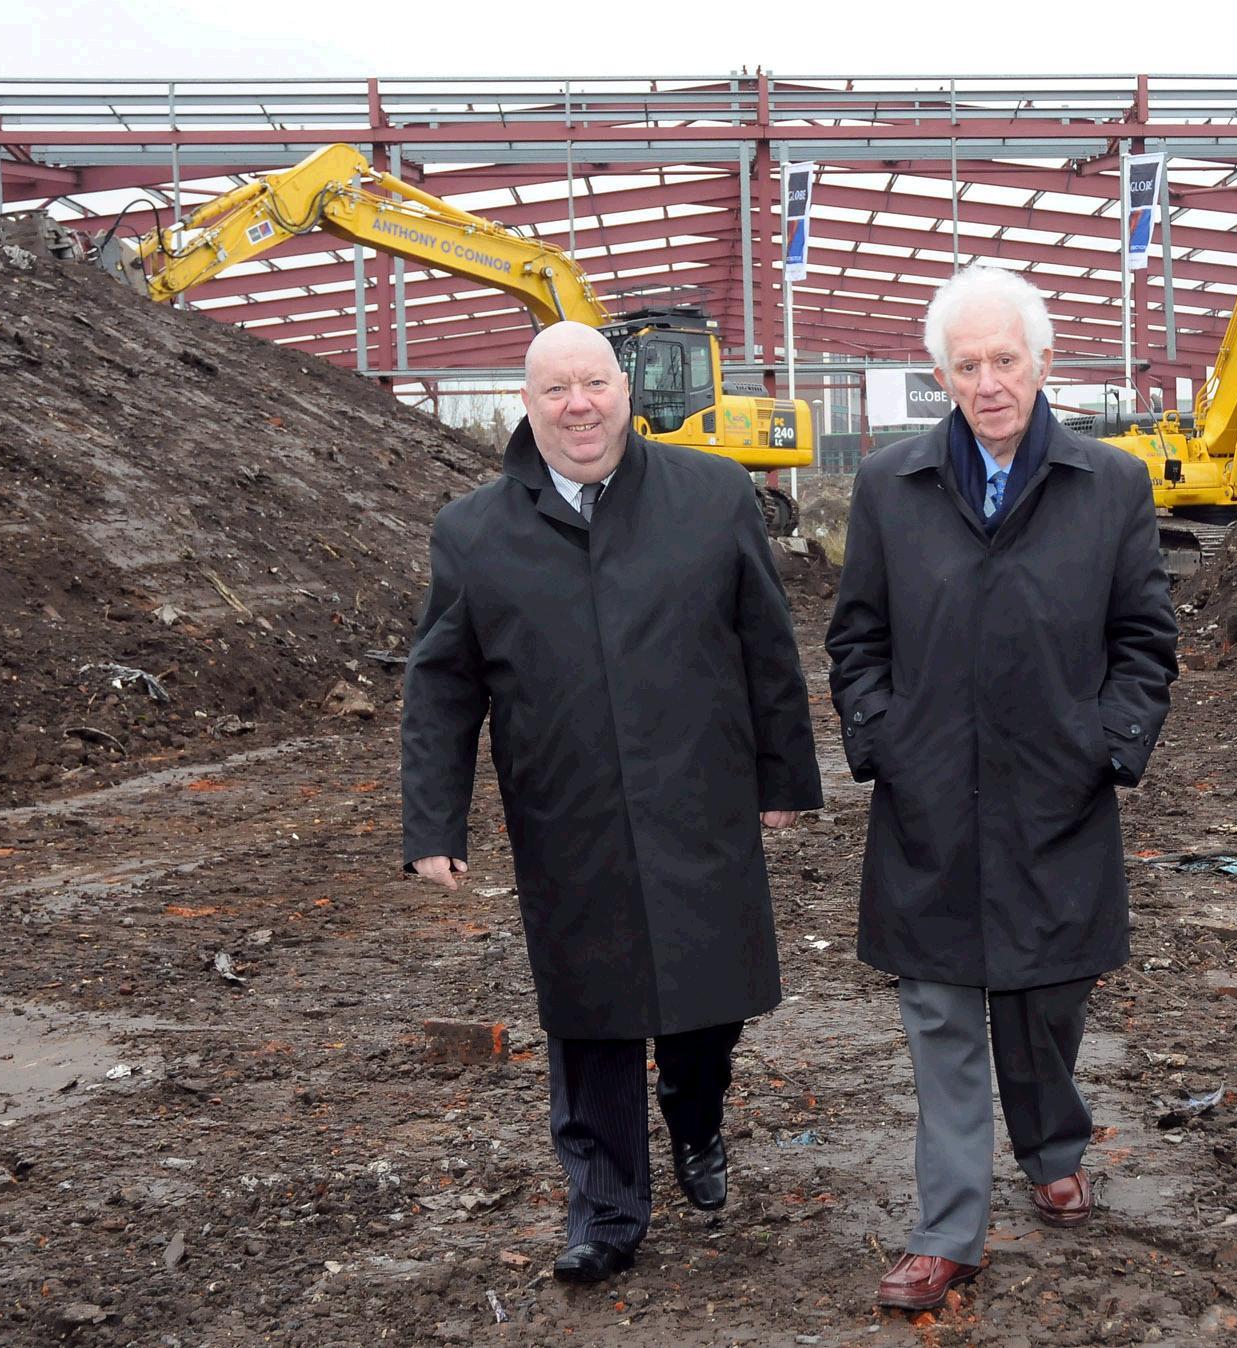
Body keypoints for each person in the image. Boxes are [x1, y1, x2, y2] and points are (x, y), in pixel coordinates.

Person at [402, 321, 822, 1284]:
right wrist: (433, 823)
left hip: (699, 795)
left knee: (708, 1005)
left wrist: (784, 776)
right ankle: (605, 1210)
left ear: (625, 390)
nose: (579, 405)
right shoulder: (473, 532)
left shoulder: (712, 495)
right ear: (527, 405)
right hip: (568, 815)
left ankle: (695, 1111)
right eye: (556, 390)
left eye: (594, 382)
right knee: (591, 1016)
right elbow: (442, 688)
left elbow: (767, 646)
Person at [825, 265, 1178, 1311]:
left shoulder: (1109, 484)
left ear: (1043, 362)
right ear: (940, 376)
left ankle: (1050, 1142)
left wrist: (1106, 745)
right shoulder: (890, 486)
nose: (988, 382)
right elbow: (857, 637)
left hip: (1056, 796)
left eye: (1005, 360)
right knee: (939, 1009)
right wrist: (886, 740)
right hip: (929, 799)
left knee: (1044, 994)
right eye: (967, 365)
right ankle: (948, 1230)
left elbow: (1144, 638)